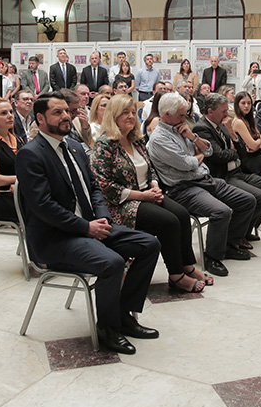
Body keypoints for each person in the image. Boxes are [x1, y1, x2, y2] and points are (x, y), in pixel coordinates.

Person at [18, 92, 161, 354]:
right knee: (112, 262)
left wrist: (102, 216)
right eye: (57, 113)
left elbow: (94, 187)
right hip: (55, 238)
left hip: (88, 226)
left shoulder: (73, 147)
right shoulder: (31, 154)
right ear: (40, 118)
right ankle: (107, 329)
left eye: (66, 112)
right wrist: (86, 227)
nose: (66, 117)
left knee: (149, 244)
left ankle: (123, 315)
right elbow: (43, 208)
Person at [90, 95, 209, 293]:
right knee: (168, 222)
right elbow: (104, 186)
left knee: (181, 214)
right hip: (121, 204)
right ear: (113, 116)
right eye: (124, 112)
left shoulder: (135, 140)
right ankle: (176, 275)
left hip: (147, 194)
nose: (130, 116)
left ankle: (187, 266)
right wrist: (144, 196)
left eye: (132, 112)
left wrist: (154, 185)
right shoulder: (104, 145)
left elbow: (150, 168)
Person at [147, 92, 256, 277]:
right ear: (167, 114)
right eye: (181, 115)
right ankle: (212, 256)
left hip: (205, 179)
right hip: (183, 188)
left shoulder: (182, 128)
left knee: (248, 200)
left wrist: (194, 138)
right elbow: (186, 164)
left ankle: (230, 244)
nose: (185, 118)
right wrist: (199, 155)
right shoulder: (159, 139)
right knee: (221, 211)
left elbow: (209, 150)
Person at [195, 93, 261, 244]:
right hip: (224, 176)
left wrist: (231, 134)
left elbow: (242, 150)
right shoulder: (202, 128)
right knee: (260, 197)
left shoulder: (223, 125)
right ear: (210, 111)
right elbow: (219, 156)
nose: (226, 114)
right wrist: (233, 151)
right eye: (223, 111)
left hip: (238, 171)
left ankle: (245, 229)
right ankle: (236, 236)